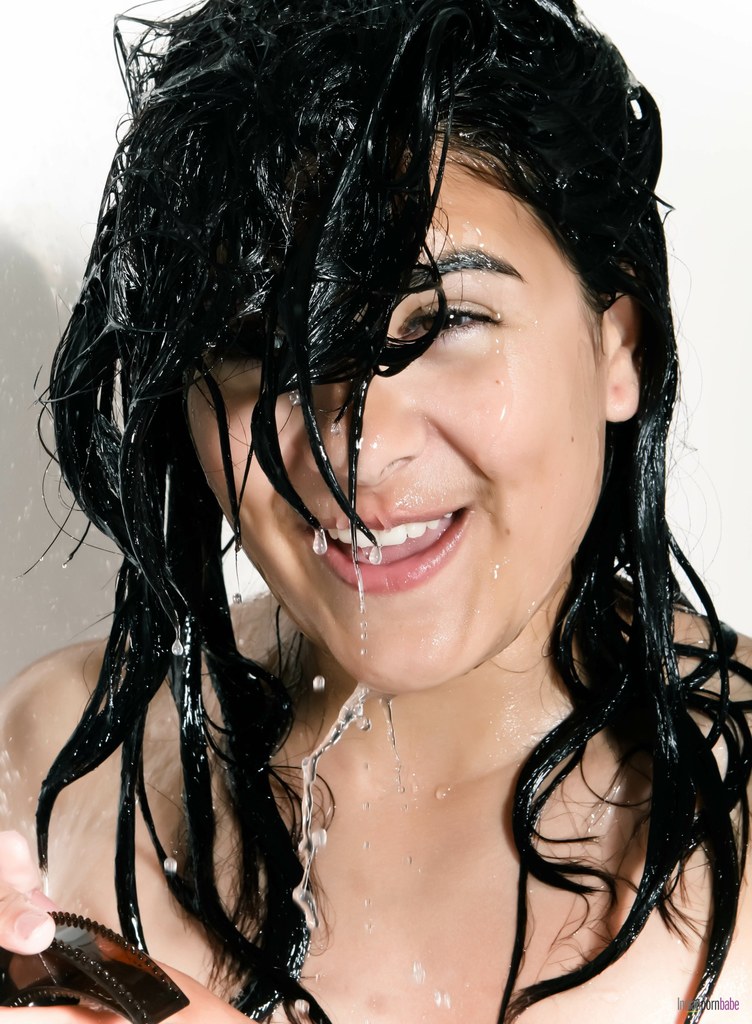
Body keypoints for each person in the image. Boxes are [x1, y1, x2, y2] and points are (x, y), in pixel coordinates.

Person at [1, 0, 751, 1021]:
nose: (357, 446)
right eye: (262, 344)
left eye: (445, 321)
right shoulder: (50, 753)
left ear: (618, 341)